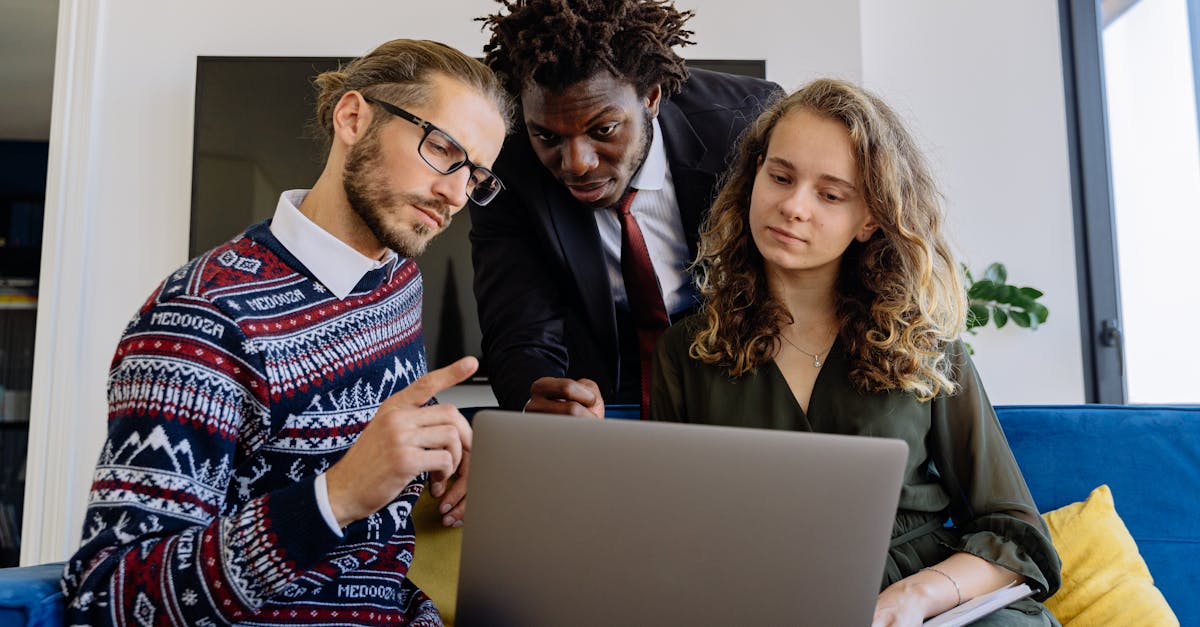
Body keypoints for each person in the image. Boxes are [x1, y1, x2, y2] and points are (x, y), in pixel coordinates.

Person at [61, 39, 511, 626]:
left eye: (475, 175)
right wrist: (337, 496)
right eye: (442, 149)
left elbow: (346, 469)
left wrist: (435, 458)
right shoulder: (199, 319)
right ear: (353, 118)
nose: (456, 195)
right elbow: (109, 597)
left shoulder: (397, 281)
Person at [650, 79, 1062, 626]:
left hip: (931, 602)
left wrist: (912, 601)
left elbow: (1016, 531)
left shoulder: (926, 344)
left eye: (830, 194)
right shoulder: (690, 350)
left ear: (869, 218)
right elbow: (675, 536)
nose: (793, 206)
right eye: (780, 177)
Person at [472, 0, 782, 418]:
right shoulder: (507, 162)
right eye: (546, 135)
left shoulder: (745, 122)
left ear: (651, 97)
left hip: (742, 377)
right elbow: (519, 326)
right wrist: (537, 400)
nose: (576, 163)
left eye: (603, 130)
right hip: (604, 392)